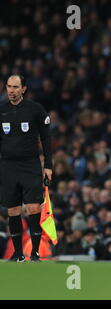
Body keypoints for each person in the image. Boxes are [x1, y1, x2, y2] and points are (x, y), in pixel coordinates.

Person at [0, 75, 52, 262]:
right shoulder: (2, 110)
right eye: (9, 87)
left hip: (30, 164)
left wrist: (48, 165)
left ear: (24, 89)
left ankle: (35, 252)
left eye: (15, 87)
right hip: (7, 165)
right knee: (12, 211)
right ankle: (17, 253)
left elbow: (46, 138)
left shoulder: (35, 109)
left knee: (32, 208)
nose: (11, 90)